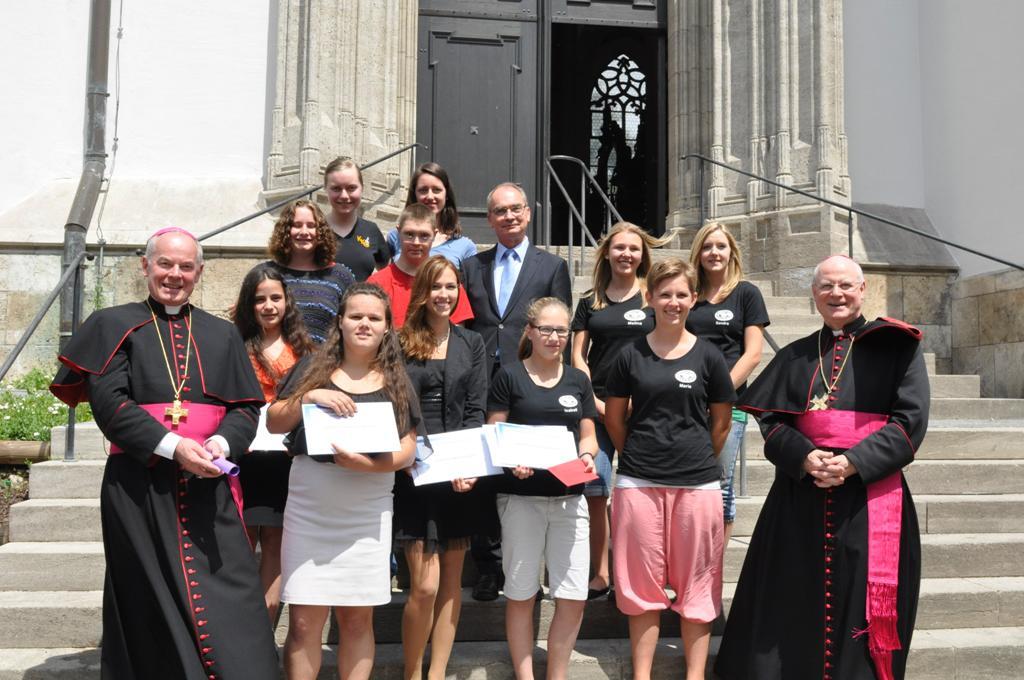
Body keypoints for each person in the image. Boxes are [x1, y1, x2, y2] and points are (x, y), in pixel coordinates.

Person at [49, 227, 279, 680]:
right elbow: (110, 404)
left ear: (199, 272)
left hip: (209, 482)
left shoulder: (221, 334)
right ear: (146, 266)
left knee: (233, 597)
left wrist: (220, 444)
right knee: (146, 598)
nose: (175, 275)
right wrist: (173, 446)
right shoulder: (113, 325)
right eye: (165, 264)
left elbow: (246, 408)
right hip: (139, 486)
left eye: (186, 267)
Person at [716, 255, 928, 680]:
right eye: (827, 286)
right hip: (799, 498)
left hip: (869, 499)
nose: (837, 294)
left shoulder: (898, 347)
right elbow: (771, 421)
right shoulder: (796, 355)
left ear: (862, 289)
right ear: (814, 294)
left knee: (858, 601)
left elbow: (910, 423)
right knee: (791, 598)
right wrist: (802, 455)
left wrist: (853, 462)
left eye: (846, 285)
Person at [267, 282, 420, 680]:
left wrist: (366, 466)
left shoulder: (397, 378)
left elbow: (408, 449)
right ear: (340, 321)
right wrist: (309, 398)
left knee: (356, 620)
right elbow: (274, 421)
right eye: (356, 316)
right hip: (311, 508)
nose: (364, 324)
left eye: (374, 318)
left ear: (386, 326)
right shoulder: (312, 368)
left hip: (367, 511)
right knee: (304, 622)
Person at [604, 258, 736, 680]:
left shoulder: (710, 356)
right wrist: (638, 455)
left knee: (698, 583)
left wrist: (693, 457)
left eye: (681, 294)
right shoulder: (630, 355)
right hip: (638, 482)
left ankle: (694, 675)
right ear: (650, 298)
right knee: (640, 585)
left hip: (697, 484)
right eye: (665, 294)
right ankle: (642, 675)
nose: (673, 302)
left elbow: (721, 423)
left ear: (693, 299)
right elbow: (614, 419)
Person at [461, 182, 572, 601]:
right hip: (480, 381)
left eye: (515, 209)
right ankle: (489, 567)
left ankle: (527, 569)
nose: (508, 217)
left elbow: (560, 326)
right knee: (487, 473)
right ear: (489, 218)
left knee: (526, 470)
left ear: (528, 213)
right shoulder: (471, 266)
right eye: (499, 211)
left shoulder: (552, 266)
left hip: (529, 380)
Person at [487, 297, 598, 680]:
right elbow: (495, 431)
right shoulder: (509, 376)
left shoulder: (578, 380)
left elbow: (588, 435)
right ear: (530, 332)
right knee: (521, 594)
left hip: (570, 499)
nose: (554, 337)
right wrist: (510, 459)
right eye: (546, 329)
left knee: (573, 595)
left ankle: (557, 675)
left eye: (561, 331)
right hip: (521, 500)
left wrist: (587, 455)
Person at [395, 255, 489, 680]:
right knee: (424, 586)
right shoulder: (399, 341)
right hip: (413, 472)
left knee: (451, 584)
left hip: (458, 475)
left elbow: (475, 409)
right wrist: (407, 455)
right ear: (422, 292)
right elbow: (395, 405)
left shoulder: (472, 343)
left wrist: (466, 465)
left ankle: (437, 673)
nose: (444, 294)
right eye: (436, 286)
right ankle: (412, 673)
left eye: (451, 286)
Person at [570, 221, 659, 600]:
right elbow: (578, 357)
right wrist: (596, 403)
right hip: (598, 408)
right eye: (619, 247)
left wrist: (641, 398)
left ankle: (640, 570)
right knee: (594, 487)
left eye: (633, 248)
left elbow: (665, 347)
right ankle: (601, 572)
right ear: (606, 253)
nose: (626, 254)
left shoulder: (653, 298)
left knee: (644, 493)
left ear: (643, 255)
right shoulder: (590, 301)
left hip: (645, 408)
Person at [231, 263, 313, 624]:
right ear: (248, 304)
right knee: (241, 545)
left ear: (286, 301)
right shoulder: (233, 346)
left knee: (276, 547)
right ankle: (240, 629)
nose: (268, 306)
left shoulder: (305, 349)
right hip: (244, 459)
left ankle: (264, 632)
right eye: (259, 299)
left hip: (285, 461)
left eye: (275, 298)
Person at [685, 223, 769, 543]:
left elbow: (753, 354)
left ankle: (713, 567)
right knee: (687, 483)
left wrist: (717, 396)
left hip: (728, 406)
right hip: (686, 402)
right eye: (707, 247)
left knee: (720, 485)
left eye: (721, 246)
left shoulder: (746, 294)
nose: (714, 252)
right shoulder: (689, 294)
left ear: (732, 252)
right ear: (698, 253)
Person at [264, 198, 356, 343]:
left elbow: (355, 323)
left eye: (311, 226)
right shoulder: (265, 273)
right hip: (273, 357)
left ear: (320, 232)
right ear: (285, 230)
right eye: (297, 225)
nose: (304, 232)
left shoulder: (341, 277)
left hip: (324, 357)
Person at [369, 203, 475, 328]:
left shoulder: (447, 282)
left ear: (434, 235)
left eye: (424, 236)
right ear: (398, 232)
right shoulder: (377, 284)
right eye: (409, 234)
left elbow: (457, 333)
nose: (416, 242)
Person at [386, 162, 478, 268]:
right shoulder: (395, 237)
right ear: (414, 194)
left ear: (446, 194)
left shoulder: (465, 247)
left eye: (436, 190)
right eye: (423, 190)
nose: (430, 196)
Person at [323, 156, 390, 281]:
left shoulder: (371, 230)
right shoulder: (314, 230)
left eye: (351, 188)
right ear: (326, 189)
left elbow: (385, 272)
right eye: (336, 188)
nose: (344, 195)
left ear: (362, 188)